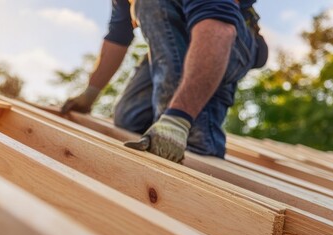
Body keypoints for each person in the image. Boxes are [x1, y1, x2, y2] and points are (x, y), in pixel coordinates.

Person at [62, 0, 266, 162]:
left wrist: (178, 119)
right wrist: (90, 93)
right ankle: (176, 120)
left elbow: (220, 30)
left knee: (151, 3)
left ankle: (195, 140)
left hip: (230, 39)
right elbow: (118, 36)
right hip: (188, 35)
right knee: (129, 119)